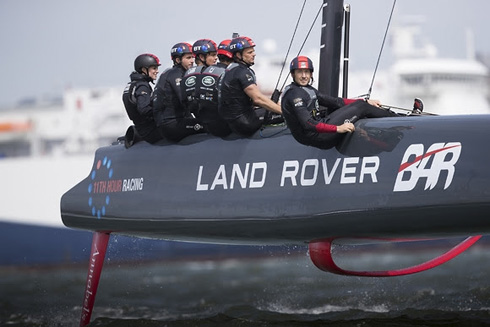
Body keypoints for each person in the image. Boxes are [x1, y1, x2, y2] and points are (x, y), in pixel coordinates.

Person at [281, 55, 401, 149]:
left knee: (359, 105)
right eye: (299, 72)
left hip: (320, 131)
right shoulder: (294, 94)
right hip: (318, 138)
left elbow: (336, 102)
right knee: (360, 107)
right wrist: (338, 128)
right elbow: (308, 124)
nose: (303, 76)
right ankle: (400, 119)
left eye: (307, 72)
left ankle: (388, 119)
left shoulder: (307, 89)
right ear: (293, 74)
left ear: (311, 73)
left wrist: (366, 101)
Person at [218, 36, 282, 137]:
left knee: (274, 107)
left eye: (253, 51)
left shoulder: (230, 69)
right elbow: (257, 99)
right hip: (245, 123)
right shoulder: (242, 72)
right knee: (287, 112)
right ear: (238, 55)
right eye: (249, 52)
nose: (254, 54)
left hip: (232, 121)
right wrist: (283, 111)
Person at [153, 42, 204, 142]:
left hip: (168, 123)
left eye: (192, 57)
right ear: (178, 60)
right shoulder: (176, 75)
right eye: (188, 58)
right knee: (208, 126)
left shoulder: (169, 73)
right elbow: (186, 100)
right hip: (172, 125)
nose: (192, 61)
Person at [196, 39, 234, 137]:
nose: (215, 58)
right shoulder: (229, 72)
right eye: (212, 55)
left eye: (215, 55)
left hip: (206, 123)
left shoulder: (202, 72)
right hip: (223, 125)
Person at [122, 53, 163, 144]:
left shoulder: (132, 85)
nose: (157, 71)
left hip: (140, 128)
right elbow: (144, 109)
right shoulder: (142, 86)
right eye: (154, 68)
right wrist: (161, 109)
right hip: (149, 131)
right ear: (144, 70)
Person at [181, 39, 218, 119]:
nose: (216, 58)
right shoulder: (212, 73)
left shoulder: (187, 74)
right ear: (201, 57)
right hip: (214, 119)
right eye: (212, 55)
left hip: (197, 117)